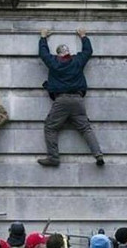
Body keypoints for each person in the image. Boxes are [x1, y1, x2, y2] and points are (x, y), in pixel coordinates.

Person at [37, 28, 103, 167]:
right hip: (78, 100)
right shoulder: (77, 60)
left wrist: (43, 37)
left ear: (59, 54)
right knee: (85, 128)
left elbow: (43, 54)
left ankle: (53, 157)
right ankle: (98, 154)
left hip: (61, 100)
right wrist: (83, 36)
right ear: (69, 52)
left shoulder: (54, 62)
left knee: (50, 127)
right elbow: (88, 51)